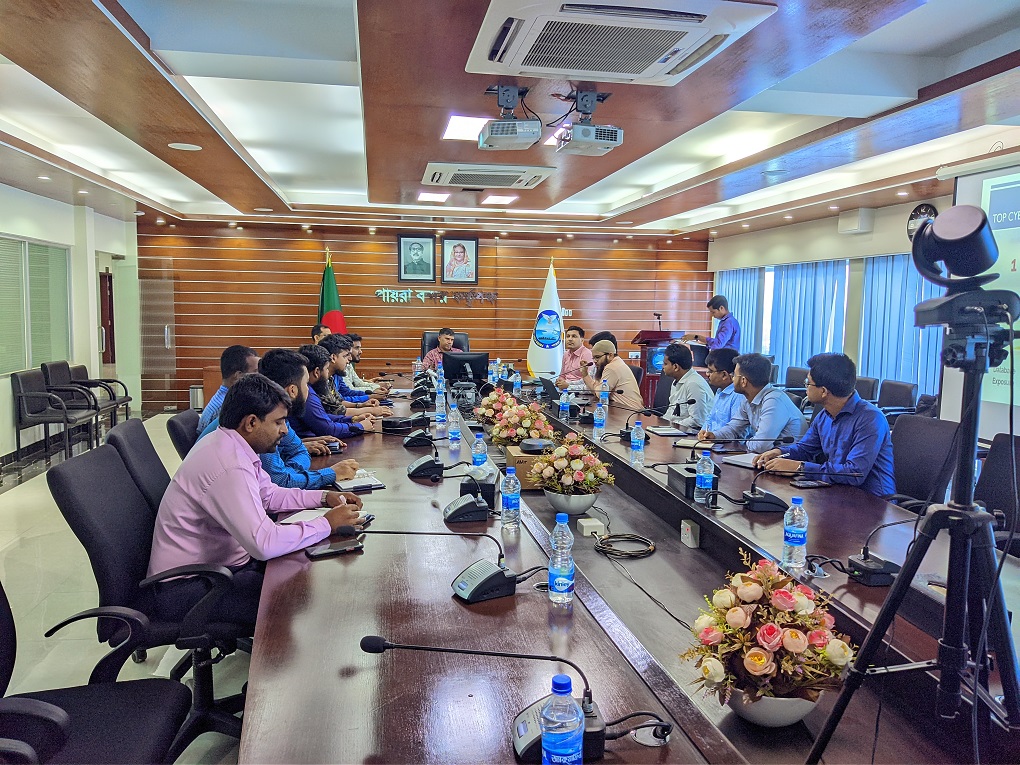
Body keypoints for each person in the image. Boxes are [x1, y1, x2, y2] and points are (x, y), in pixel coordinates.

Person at [147, 374, 365, 631]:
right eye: (279, 422)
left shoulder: (231, 444)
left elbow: (269, 495)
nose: (285, 430)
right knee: (299, 600)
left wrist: (323, 498)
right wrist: (326, 525)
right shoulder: (228, 465)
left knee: (301, 573)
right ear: (251, 422)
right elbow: (264, 544)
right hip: (188, 588)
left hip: (218, 569)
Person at [755, 353, 895, 497]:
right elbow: (805, 449)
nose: (805, 387)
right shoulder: (824, 415)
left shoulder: (871, 419)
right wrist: (779, 452)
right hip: (838, 493)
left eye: (808, 383)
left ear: (823, 391)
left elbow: (854, 473)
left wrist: (800, 467)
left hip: (874, 501)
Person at [258, 349, 359, 489]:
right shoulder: (263, 420)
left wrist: (290, 472)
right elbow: (280, 481)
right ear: (292, 390)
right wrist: (330, 474)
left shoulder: (282, 417)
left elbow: (300, 451)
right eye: (306, 384)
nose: (309, 391)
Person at [699, 352, 805, 453]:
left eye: (734, 375)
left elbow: (761, 446)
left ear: (743, 381)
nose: (732, 378)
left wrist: (743, 444)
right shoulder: (747, 399)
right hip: (767, 457)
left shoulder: (774, 401)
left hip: (787, 460)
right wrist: (714, 436)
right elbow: (733, 429)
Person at [290, 345, 376, 439]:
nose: (328, 374)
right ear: (316, 372)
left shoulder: (311, 389)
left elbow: (322, 417)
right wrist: (361, 427)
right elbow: (328, 429)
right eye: (327, 369)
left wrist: (353, 419)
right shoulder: (306, 393)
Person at [313, 338, 392, 416]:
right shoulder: (319, 381)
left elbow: (339, 401)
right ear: (333, 358)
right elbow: (335, 411)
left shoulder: (330, 378)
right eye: (345, 356)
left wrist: (360, 405)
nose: (349, 359)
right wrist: (369, 410)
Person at [196, 345, 260, 434]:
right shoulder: (226, 407)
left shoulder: (226, 399)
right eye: (256, 372)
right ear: (238, 376)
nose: (260, 377)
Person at [658, 343, 714, 431]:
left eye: (665, 364)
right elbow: (672, 411)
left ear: (676, 367)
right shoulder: (677, 381)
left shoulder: (694, 384)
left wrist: (672, 427)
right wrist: (660, 425)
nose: (662, 367)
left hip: (691, 433)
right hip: (676, 430)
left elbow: (697, 421)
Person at [581, 339, 644, 412]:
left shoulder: (612, 367)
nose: (595, 361)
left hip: (630, 411)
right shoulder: (616, 362)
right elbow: (599, 392)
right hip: (622, 408)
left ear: (610, 355)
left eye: (597, 357)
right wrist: (585, 374)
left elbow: (600, 394)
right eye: (593, 358)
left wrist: (596, 384)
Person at [701, 348, 747, 438]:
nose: (707, 374)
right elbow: (710, 418)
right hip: (712, 441)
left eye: (710, 371)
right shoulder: (719, 391)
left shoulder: (738, 396)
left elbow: (737, 432)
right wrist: (703, 432)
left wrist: (714, 437)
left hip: (725, 444)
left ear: (724, 375)